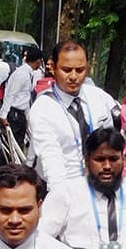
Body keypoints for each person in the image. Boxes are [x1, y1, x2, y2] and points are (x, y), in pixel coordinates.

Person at [27, 40, 119, 191]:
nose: (73, 76)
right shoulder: (44, 107)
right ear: (53, 67)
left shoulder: (98, 97)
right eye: (67, 70)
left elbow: (110, 143)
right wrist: (64, 198)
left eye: (80, 70)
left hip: (98, 188)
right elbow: (51, 158)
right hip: (63, 188)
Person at [0, 46, 43, 149]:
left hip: (20, 114)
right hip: (14, 115)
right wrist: (3, 115)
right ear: (38, 61)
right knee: (12, 145)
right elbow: (11, 94)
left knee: (19, 145)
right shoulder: (22, 74)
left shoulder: (28, 73)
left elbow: (25, 96)